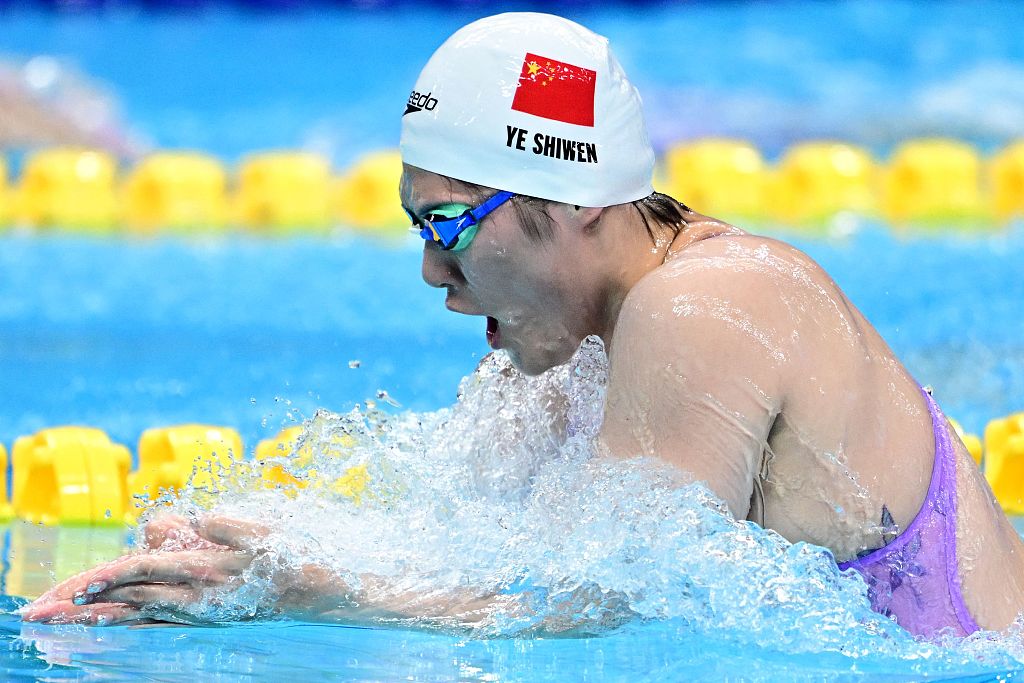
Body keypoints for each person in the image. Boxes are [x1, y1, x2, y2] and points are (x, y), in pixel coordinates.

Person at [23, 12, 1024, 638]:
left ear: (573, 198)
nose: (429, 268)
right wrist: (245, 553)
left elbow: (609, 612)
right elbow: (504, 561)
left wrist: (318, 589)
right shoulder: (571, 350)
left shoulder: (709, 305)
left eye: (448, 222)